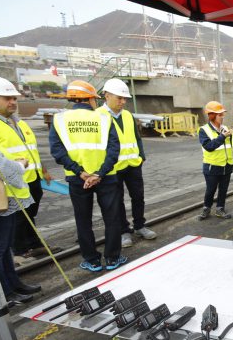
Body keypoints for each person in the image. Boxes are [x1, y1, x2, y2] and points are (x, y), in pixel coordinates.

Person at [49, 80, 126, 272]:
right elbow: (114, 150)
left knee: (83, 220)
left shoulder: (59, 120)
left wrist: (80, 172)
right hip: (105, 177)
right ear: (90, 98)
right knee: (112, 218)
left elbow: (58, 151)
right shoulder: (104, 119)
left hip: (78, 179)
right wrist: (99, 173)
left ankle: (92, 260)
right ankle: (112, 258)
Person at [0, 77, 55, 260]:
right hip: (11, 182)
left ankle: (34, 244)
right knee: (18, 219)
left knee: (30, 214)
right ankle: (20, 250)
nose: (13, 102)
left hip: (31, 178)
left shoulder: (19, 123)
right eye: (8, 98)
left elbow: (31, 149)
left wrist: (43, 170)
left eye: (14, 98)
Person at [97, 78, 156, 248]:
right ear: (106, 95)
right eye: (119, 98)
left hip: (132, 164)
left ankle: (140, 225)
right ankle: (124, 230)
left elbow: (137, 138)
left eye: (125, 99)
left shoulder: (128, 115)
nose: (123, 102)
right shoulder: (98, 117)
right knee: (117, 200)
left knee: (138, 197)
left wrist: (141, 156)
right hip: (112, 168)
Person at [0, 116, 40, 306]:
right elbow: (0, 166)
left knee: (5, 248)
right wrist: (20, 165)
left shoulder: (14, 122)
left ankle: (13, 284)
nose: (13, 102)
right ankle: (4, 293)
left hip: (6, 196)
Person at [198, 101, 233, 220]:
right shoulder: (203, 130)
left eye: (223, 114)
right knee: (211, 190)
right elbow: (209, 147)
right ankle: (206, 208)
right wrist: (223, 137)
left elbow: (232, 145)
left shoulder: (224, 128)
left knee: (223, 190)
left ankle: (220, 209)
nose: (222, 117)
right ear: (212, 115)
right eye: (220, 115)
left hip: (227, 165)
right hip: (212, 166)